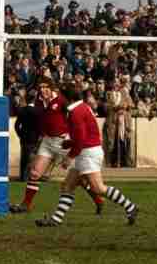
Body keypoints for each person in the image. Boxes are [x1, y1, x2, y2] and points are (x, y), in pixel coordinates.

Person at [36, 84, 139, 228]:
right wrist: (70, 143)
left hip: (88, 153)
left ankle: (130, 207)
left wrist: (70, 156)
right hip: (86, 151)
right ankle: (55, 220)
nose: (61, 99)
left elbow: (81, 138)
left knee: (98, 188)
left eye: (63, 96)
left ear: (68, 98)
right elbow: (81, 136)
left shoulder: (76, 112)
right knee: (67, 185)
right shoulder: (81, 107)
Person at [10, 78, 104, 215]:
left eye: (45, 87)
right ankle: (26, 205)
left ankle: (98, 200)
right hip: (47, 141)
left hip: (62, 142)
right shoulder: (39, 101)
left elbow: (75, 113)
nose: (42, 90)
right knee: (34, 173)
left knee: (81, 179)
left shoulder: (61, 100)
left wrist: (71, 138)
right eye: (40, 87)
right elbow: (42, 119)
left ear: (52, 88)